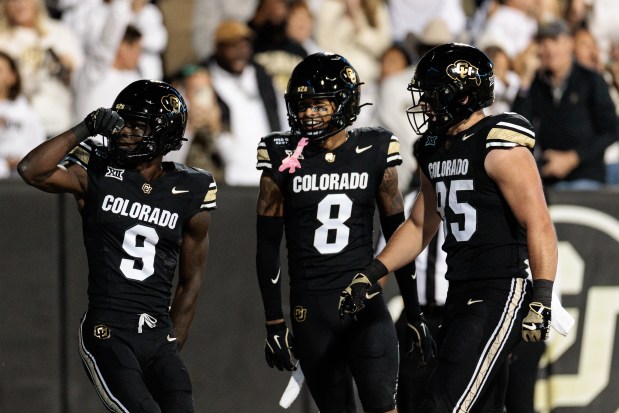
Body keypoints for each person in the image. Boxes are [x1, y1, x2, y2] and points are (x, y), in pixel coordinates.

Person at [339, 43, 558, 412]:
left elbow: (538, 223)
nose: (425, 103)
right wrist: (373, 271)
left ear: (462, 94)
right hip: (459, 291)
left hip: (499, 291)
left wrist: (543, 298)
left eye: (433, 93)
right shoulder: (434, 147)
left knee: (440, 403)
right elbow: (421, 223)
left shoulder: (499, 143)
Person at [17, 79, 217, 413]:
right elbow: (31, 170)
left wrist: (170, 342)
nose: (124, 131)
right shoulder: (95, 169)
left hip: (156, 333)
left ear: (164, 132)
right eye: (122, 122)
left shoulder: (192, 188)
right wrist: (85, 127)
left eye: (137, 125)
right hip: (107, 330)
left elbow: (191, 280)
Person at [255, 52, 434, 413]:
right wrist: (274, 321)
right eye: (302, 105)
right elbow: (267, 246)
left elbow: (397, 234)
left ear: (343, 102)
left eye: (318, 104)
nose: (308, 113)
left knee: (384, 406)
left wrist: (414, 312)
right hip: (311, 310)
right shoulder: (280, 153)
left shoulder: (374, 150)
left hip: (363, 304)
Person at [0, 50, 46, 179]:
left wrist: (19, 161)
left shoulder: (24, 110)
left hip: (20, 182)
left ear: (12, 77)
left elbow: (38, 146)